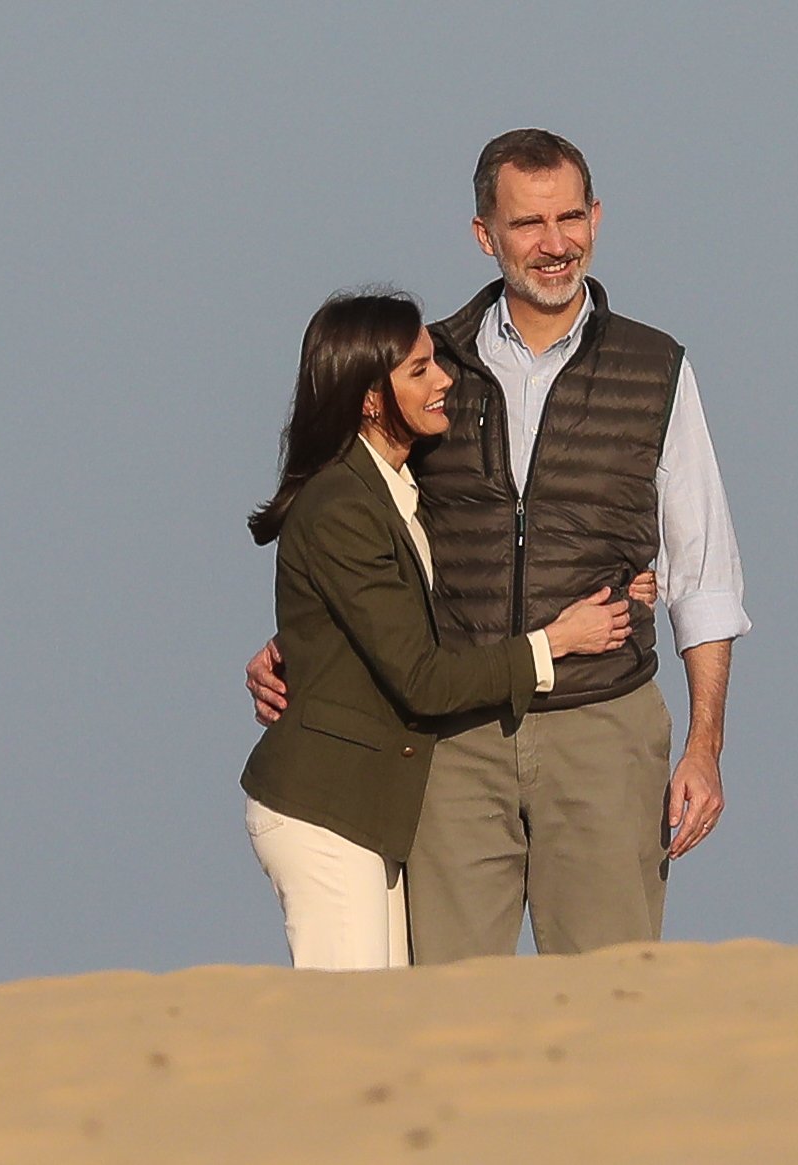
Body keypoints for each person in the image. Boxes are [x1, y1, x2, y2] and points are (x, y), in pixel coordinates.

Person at [248, 129, 750, 964]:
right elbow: (358, 525)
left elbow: (704, 573)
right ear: (486, 234)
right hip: (451, 742)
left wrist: (704, 748)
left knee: (609, 996)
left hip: (603, 729)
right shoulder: (429, 367)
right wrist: (294, 644)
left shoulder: (654, 367)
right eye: (528, 224)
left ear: (597, 217)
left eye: (569, 217)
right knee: (446, 1004)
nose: (554, 244)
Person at [240, 290, 637, 971]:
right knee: (353, 1031)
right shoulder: (342, 503)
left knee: (387, 1023)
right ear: (369, 397)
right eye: (419, 369)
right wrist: (556, 643)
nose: (444, 379)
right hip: (326, 809)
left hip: (367, 813)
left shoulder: (396, 487)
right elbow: (421, 678)